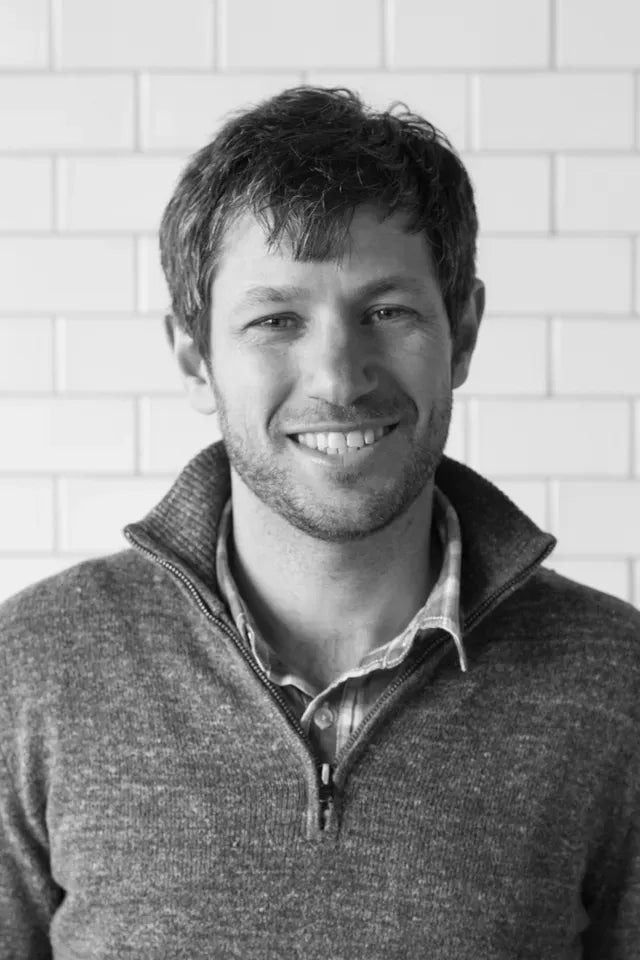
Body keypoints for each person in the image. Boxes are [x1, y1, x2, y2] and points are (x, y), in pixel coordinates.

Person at [0, 86, 638, 960]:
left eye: (388, 312)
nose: (338, 377)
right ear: (193, 356)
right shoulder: (30, 671)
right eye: (276, 320)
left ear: (463, 332)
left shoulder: (616, 683)